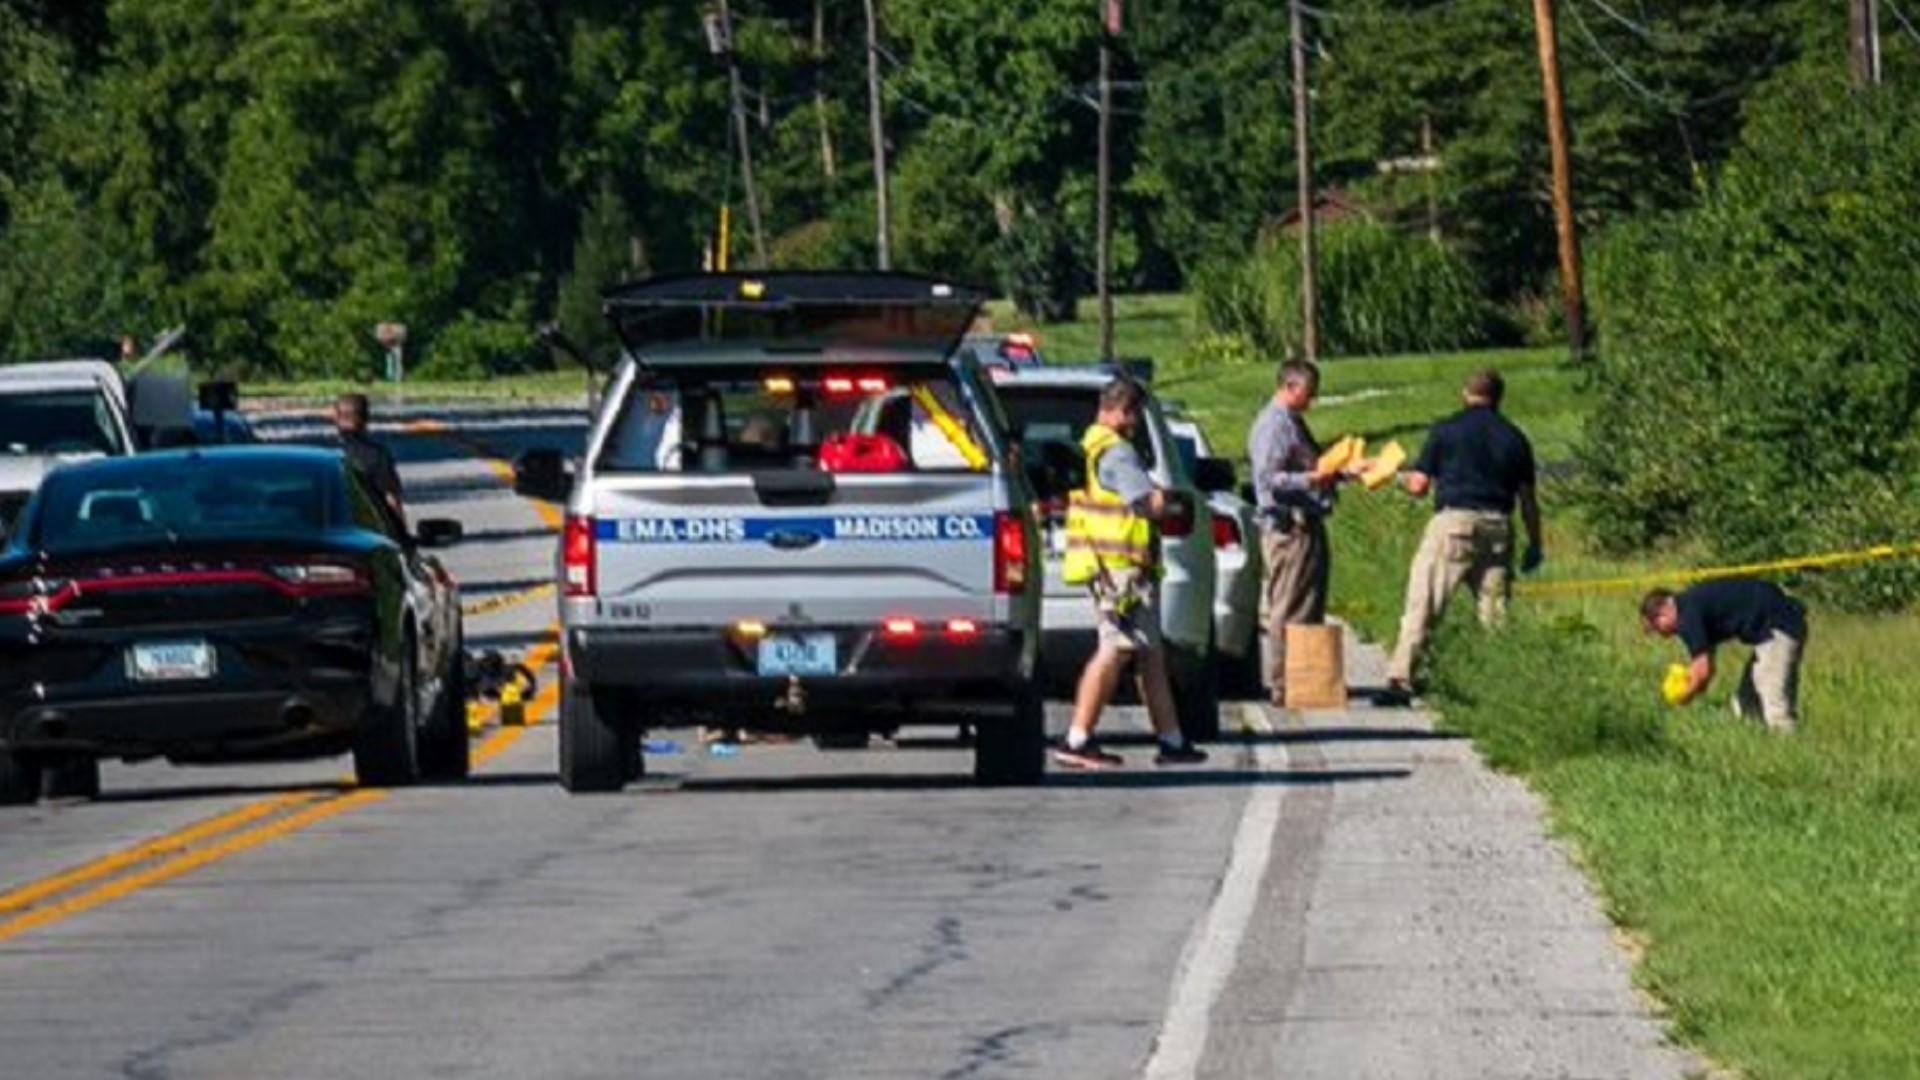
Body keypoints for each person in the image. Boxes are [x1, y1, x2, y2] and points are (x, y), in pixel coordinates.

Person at [1054, 378, 1208, 770]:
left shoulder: (1089, 445)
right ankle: (1077, 738)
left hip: (1115, 567)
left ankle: (1172, 741)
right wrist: (1171, 499)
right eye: (1135, 415)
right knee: (1116, 649)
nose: (1136, 424)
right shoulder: (1118, 453)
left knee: (1150, 655)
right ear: (1123, 410)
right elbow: (1146, 504)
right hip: (1122, 572)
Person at [1382, 369, 1542, 702]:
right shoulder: (1515, 437)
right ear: (1499, 397)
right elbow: (1528, 499)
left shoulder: (1446, 431)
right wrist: (1535, 542)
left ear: (1465, 393)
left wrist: (1389, 475)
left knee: (1424, 602)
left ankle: (1402, 679)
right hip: (1499, 527)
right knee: (1495, 613)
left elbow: (1419, 486)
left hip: (1455, 525)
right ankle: (1502, 686)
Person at [1247, 359, 1344, 707]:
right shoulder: (1273, 426)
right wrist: (1311, 480)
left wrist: (1341, 471)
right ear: (1289, 387)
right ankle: (1284, 683)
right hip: (1288, 527)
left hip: (1307, 523)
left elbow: (1309, 462)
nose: (1312, 400)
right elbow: (1270, 480)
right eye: (1308, 393)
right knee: (1287, 607)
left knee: (1308, 605)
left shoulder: (1293, 423)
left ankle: (1308, 679)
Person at [1640, 579, 1807, 732]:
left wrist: (1684, 695)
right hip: (1773, 628)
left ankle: (1786, 745)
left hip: (1779, 625)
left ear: (1664, 610)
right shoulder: (1692, 606)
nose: (1661, 635)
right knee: (1746, 702)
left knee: (1772, 697)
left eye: (1656, 627)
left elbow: (1702, 669)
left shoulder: (1686, 616)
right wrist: (1696, 684)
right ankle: (1755, 746)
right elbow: (1706, 666)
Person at [332, 392, 407, 530]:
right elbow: (392, 502)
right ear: (367, 419)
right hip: (370, 536)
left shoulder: (324, 454)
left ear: (336, 417)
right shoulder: (378, 455)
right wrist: (403, 539)